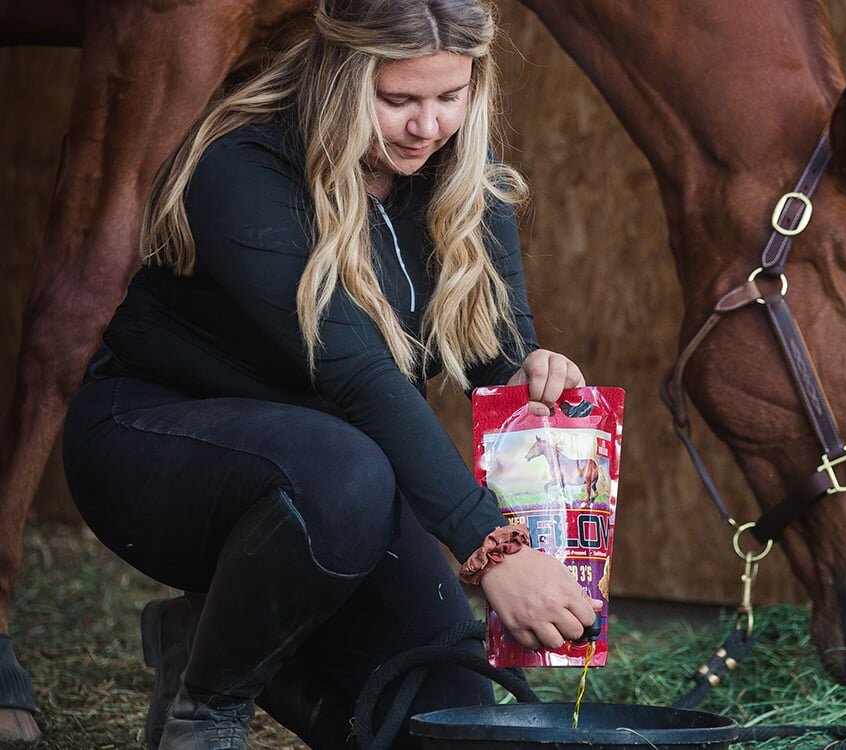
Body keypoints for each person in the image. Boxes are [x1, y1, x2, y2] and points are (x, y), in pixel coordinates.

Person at [61, 1, 600, 748]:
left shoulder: (468, 183)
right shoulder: (244, 167)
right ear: (341, 75)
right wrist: (491, 547)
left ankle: (224, 645)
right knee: (346, 468)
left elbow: (493, 358)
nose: (427, 126)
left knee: (452, 725)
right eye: (398, 99)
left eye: (450, 96)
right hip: (158, 450)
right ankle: (208, 705)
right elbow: (355, 374)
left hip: (346, 490)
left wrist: (529, 373)